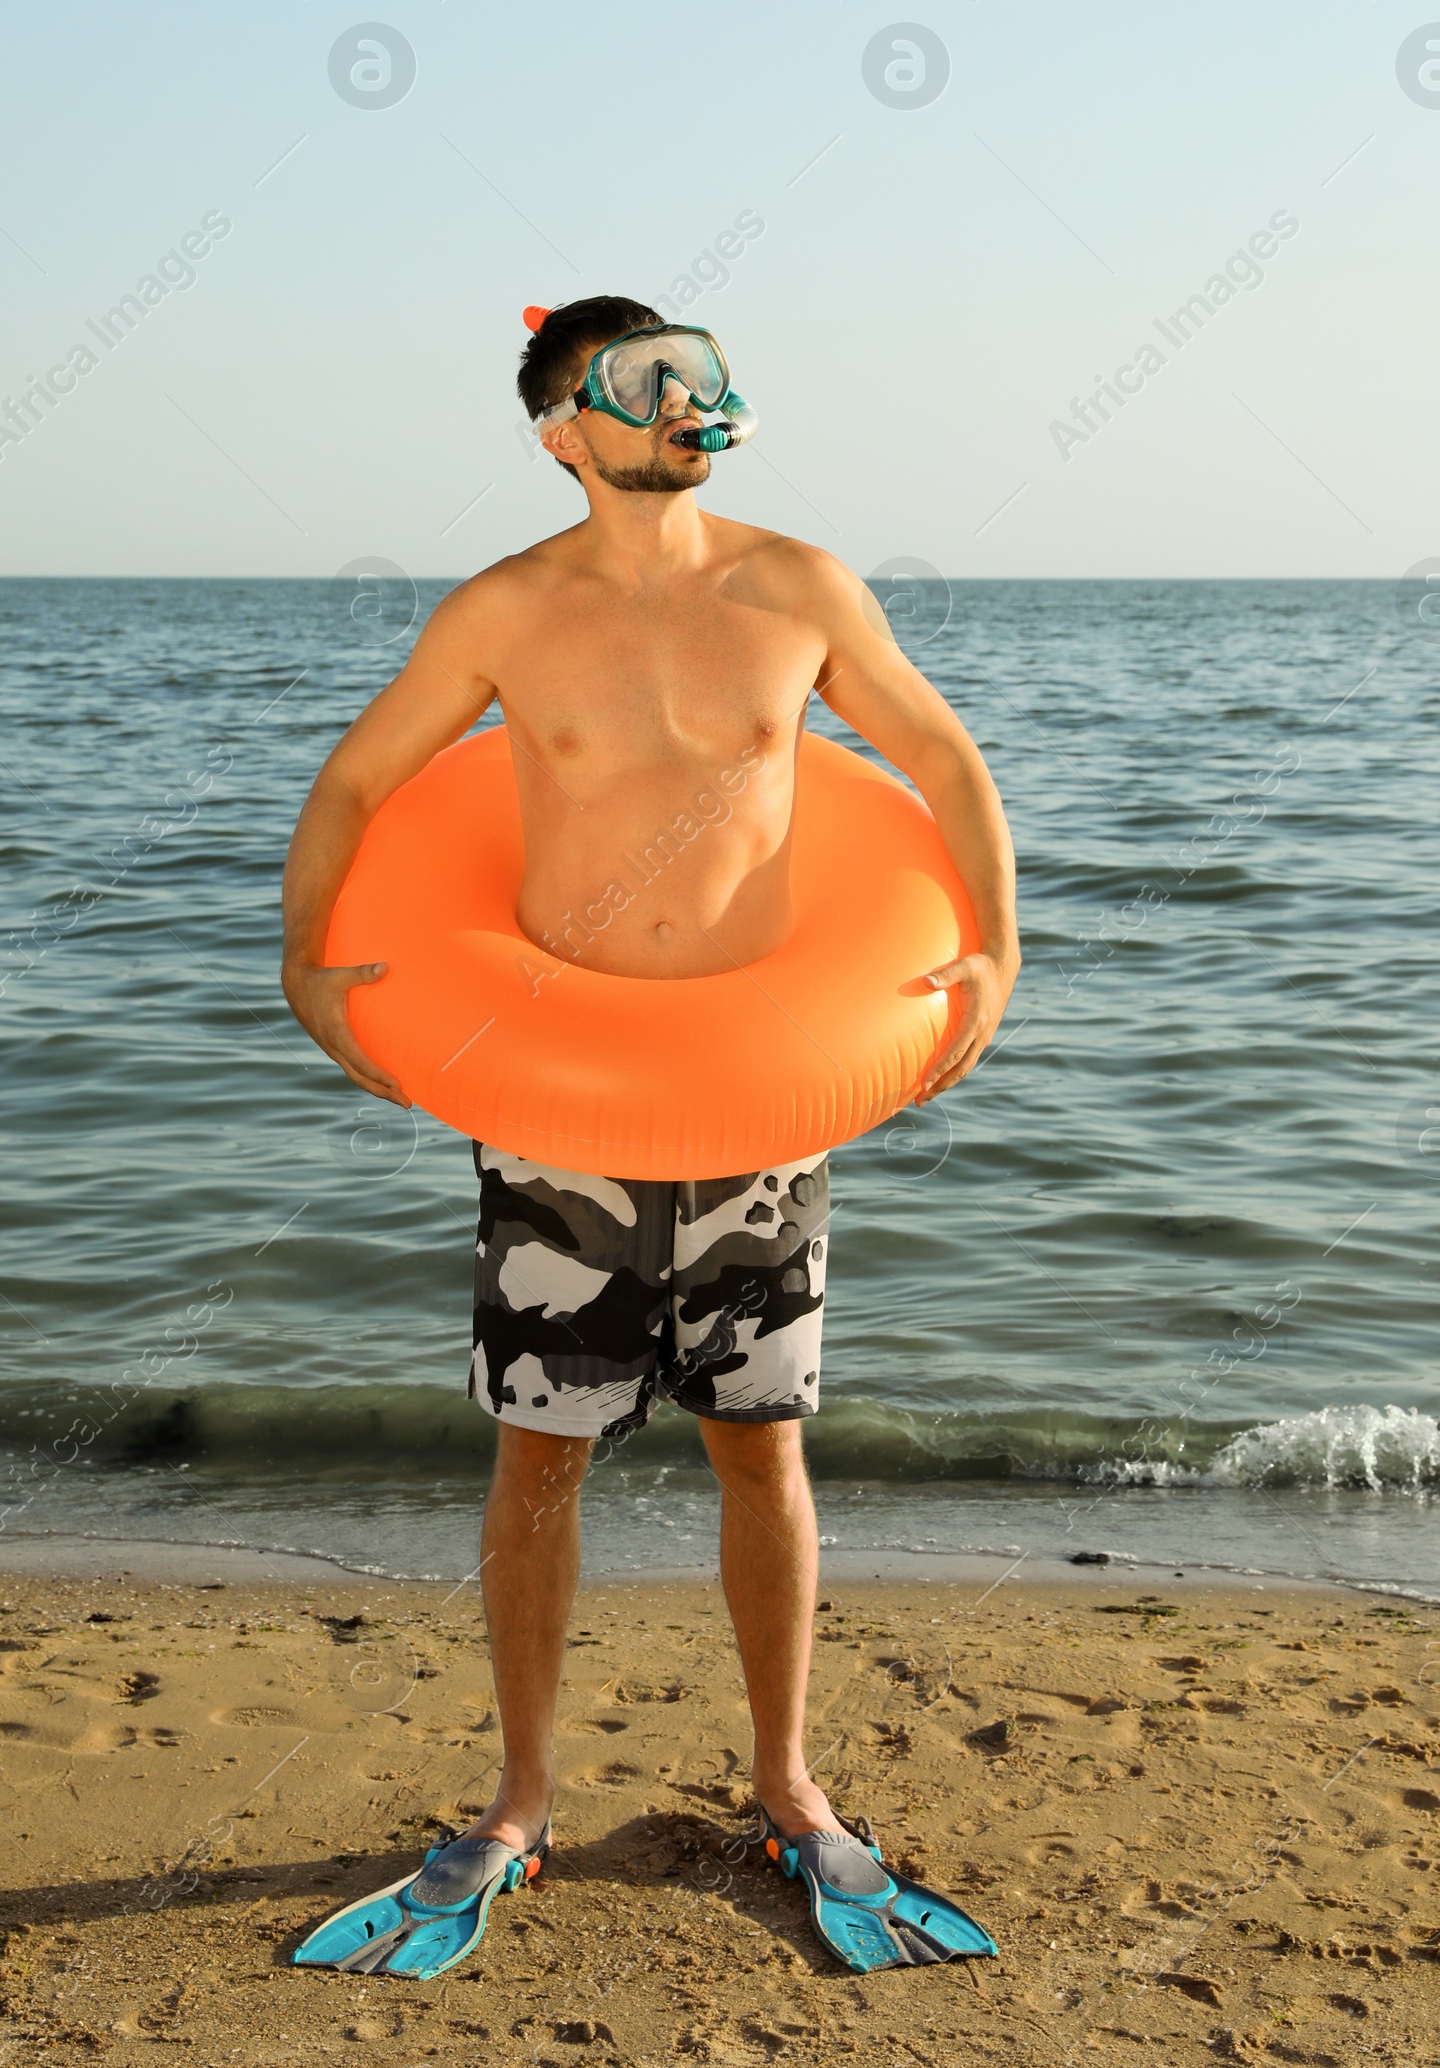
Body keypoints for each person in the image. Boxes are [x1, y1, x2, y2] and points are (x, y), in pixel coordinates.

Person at [281, 297, 1019, 1978]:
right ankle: (522, 1799)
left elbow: (938, 754)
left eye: (702, 370)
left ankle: (785, 1783)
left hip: (761, 1096)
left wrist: (1000, 946)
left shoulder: (799, 587)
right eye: (646, 382)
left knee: (762, 1440)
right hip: (562, 1106)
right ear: (564, 427)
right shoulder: (508, 613)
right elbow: (354, 786)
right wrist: (305, 965)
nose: (691, 400)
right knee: (543, 1449)